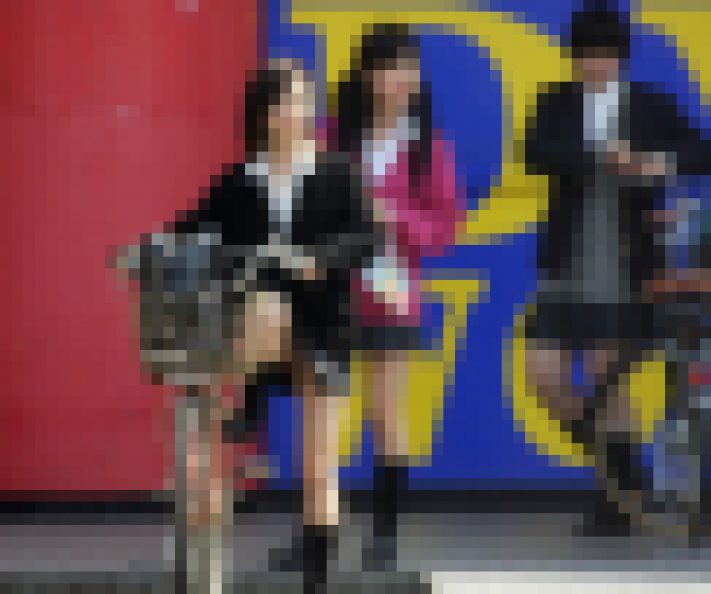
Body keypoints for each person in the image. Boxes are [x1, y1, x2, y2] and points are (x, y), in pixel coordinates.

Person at [119, 59, 374, 593]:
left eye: (303, 101)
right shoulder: (238, 181)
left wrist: (320, 259)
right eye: (287, 102)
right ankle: (237, 405)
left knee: (319, 467)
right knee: (263, 305)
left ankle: (318, 579)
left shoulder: (337, 173)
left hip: (323, 328)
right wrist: (146, 251)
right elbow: (190, 233)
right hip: (257, 330)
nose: (298, 112)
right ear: (264, 114)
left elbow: (365, 240)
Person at [523, 2, 711, 534]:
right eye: (586, 54)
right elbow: (535, 152)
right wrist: (599, 156)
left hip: (629, 262)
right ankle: (627, 471)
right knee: (542, 375)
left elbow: (704, 151)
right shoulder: (556, 101)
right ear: (572, 56)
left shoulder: (650, 104)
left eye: (606, 54)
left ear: (622, 56)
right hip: (567, 260)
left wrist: (658, 163)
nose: (595, 64)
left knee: (608, 380)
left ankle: (617, 502)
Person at [335, 23, 463, 567]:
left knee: (387, 414)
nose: (399, 78)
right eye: (388, 67)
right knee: (322, 413)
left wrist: (393, 215)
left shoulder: (427, 147)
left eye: (408, 68)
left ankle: (384, 534)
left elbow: (443, 230)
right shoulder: (333, 135)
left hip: (390, 288)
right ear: (367, 75)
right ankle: (315, 529)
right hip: (332, 287)